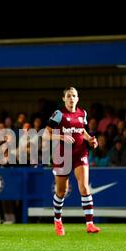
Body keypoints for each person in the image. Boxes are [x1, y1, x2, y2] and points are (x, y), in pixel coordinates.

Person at [46, 87, 101, 236]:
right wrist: (61, 137)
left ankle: (90, 224)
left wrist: (90, 140)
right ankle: (57, 220)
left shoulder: (82, 113)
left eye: (74, 96)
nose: (71, 98)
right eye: (68, 96)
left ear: (78, 98)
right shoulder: (59, 114)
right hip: (62, 155)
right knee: (61, 192)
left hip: (80, 153)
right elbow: (46, 133)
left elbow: (81, 131)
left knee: (84, 187)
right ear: (63, 99)